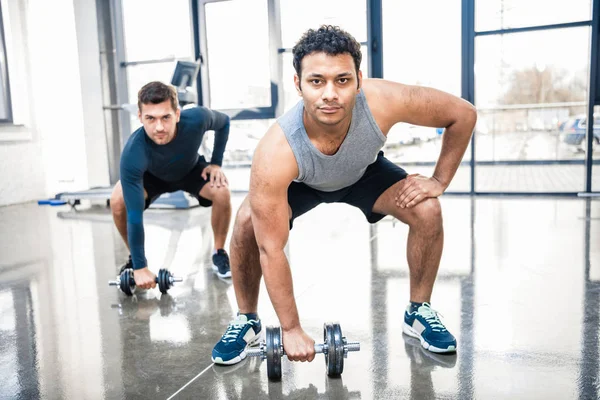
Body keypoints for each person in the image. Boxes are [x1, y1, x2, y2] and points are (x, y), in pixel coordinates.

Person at [211, 25, 477, 365]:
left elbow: (463, 114)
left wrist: (439, 180)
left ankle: (418, 312)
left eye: (342, 80)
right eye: (316, 81)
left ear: (359, 80)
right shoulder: (276, 151)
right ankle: (246, 319)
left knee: (428, 209)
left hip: (363, 172)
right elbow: (271, 248)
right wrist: (291, 329)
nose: (330, 94)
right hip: (301, 182)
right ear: (298, 84)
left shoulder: (384, 100)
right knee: (248, 221)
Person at [110, 81, 234, 286]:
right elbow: (133, 214)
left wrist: (216, 164)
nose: (159, 127)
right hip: (151, 178)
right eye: (150, 118)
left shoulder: (197, 118)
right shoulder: (133, 152)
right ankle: (135, 258)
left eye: (165, 117)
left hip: (190, 170)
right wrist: (141, 267)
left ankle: (219, 252)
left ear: (177, 114)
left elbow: (224, 122)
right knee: (118, 199)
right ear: (140, 117)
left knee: (221, 191)